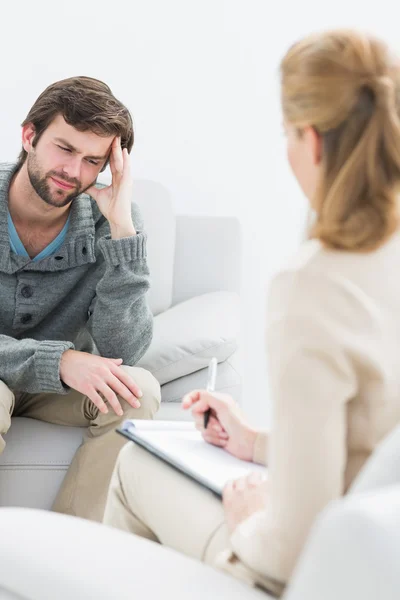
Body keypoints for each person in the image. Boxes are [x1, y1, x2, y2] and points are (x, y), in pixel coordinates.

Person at [103, 29, 400, 595]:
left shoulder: (314, 284)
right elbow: (374, 438)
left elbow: (290, 550)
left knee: (135, 466)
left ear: (311, 141)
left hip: (312, 574)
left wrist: (251, 521)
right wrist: (258, 444)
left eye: (286, 133)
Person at [0, 76, 161, 523]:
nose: (74, 172)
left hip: (56, 388)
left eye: (93, 160)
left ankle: (72, 554)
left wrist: (123, 232)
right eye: (64, 149)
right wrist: (59, 360)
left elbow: (121, 353)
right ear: (29, 135)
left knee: (137, 391)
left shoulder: (112, 223)